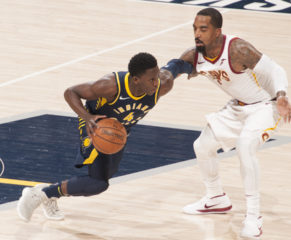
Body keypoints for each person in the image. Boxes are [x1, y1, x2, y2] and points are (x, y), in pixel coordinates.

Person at [17, 52, 193, 222]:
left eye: (157, 77)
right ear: (136, 80)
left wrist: (196, 64)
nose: (157, 83)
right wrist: (87, 117)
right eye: (151, 79)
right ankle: (41, 194)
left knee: (104, 177)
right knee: (98, 183)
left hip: (118, 133)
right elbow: (71, 92)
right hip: (96, 127)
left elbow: (177, 65)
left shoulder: (163, 84)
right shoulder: (110, 86)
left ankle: (48, 194)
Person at [178, 8, 291, 239]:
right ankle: (215, 198)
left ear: (217, 31)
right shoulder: (195, 55)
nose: (197, 33)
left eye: (203, 29)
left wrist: (281, 95)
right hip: (238, 106)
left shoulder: (237, 49)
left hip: (266, 105)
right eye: (195, 28)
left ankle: (253, 217)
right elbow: (168, 73)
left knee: (245, 146)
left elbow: (275, 69)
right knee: (202, 146)